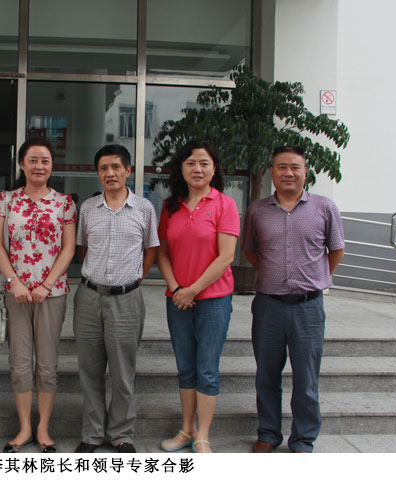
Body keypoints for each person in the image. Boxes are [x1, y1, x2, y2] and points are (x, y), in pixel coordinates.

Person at [241, 146, 345, 453]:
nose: (288, 173)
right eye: (282, 167)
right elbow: (250, 250)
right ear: (272, 172)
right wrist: (271, 273)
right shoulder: (257, 210)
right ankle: (268, 433)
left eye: (295, 167)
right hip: (268, 306)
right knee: (266, 375)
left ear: (305, 171)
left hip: (308, 308)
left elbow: (336, 249)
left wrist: (317, 277)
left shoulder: (325, 207)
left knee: (306, 378)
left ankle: (303, 439)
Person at [0, 138, 76, 454]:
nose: (39, 166)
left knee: (48, 364)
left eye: (45, 161)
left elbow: (68, 248)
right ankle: (25, 427)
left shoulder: (64, 203)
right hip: (16, 293)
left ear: (52, 165)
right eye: (33, 160)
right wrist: (14, 281)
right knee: (20, 363)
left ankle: (43, 428)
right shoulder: (5, 200)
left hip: (51, 294)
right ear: (22, 164)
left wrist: (46, 285)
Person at [74, 144, 159, 454]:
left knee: (123, 372)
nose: (110, 173)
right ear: (98, 173)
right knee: (90, 370)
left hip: (126, 300)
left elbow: (151, 249)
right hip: (89, 297)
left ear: (128, 171)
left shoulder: (144, 209)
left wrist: (135, 278)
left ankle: (122, 434)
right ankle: (93, 434)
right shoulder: (88, 208)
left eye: (116, 167)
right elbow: (83, 249)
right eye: (103, 168)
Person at [156, 140, 239, 453]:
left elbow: (226, 256)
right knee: (186, 367)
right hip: (177, 300)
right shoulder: (171, 207)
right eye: (191, 163)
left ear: (214, 169)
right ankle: (186, 429)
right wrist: (177, 288)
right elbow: (163, 253)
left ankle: (203, 434)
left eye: (204, 163)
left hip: (214, 299)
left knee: (207, 368)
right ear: (181, 168)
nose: (197, 169)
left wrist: (193, 289)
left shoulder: (224, 205)